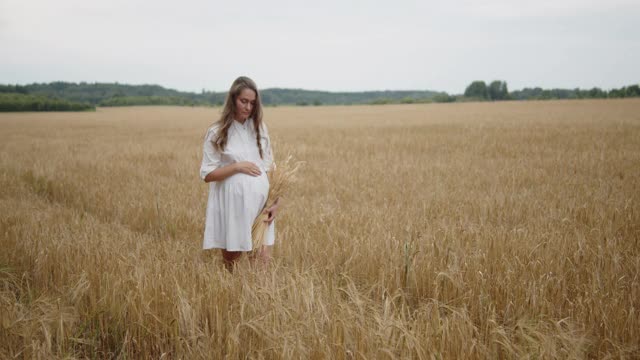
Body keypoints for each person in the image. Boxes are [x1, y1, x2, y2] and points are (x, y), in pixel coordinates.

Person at [199, 76, 279, 270]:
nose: (248, 107)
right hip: (231, 205)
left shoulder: (260, 129)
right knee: (231, 263)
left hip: (261, 206)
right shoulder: (217, 131)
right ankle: (233, 296)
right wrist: (237, 167)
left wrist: (275, 202)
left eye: (253, 103)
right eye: (244, 101)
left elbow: (271, 168)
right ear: (233, 99)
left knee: (262, 262)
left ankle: (261, 299)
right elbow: (208, 174)